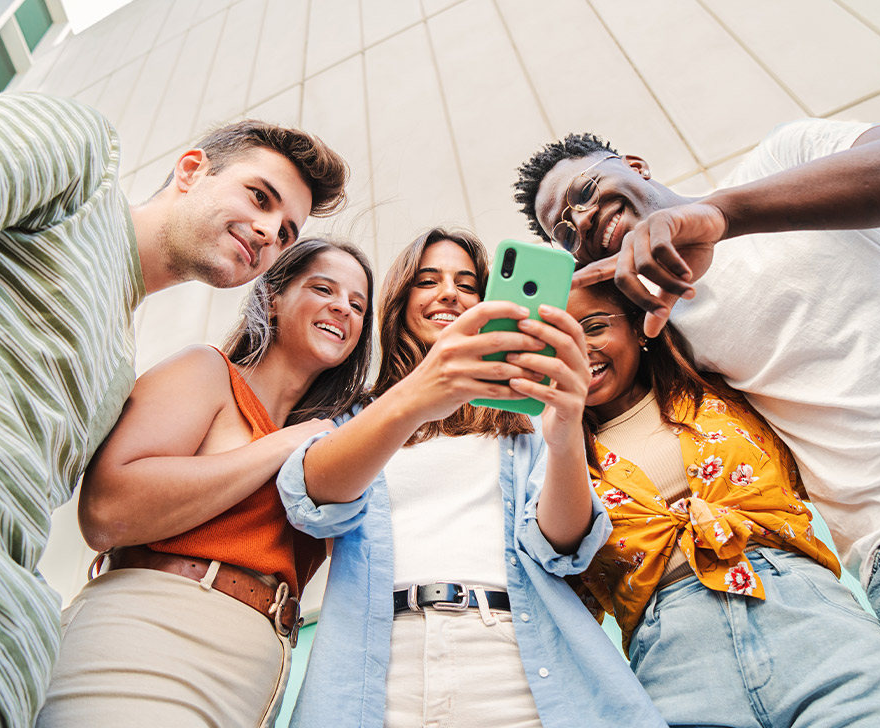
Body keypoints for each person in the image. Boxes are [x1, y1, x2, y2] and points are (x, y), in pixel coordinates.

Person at [514, 124, 880, 726]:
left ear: (635, 164)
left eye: (586, 189)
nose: (583, 217)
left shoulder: (785, 160)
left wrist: (719, 216)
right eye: (565, 226)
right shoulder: (660, 331)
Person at [0, 92, 348, 728]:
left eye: (287, 231)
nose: (269, 233)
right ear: (190, 170)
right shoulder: (81, 161)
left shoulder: (116, 370)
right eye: (260, 197)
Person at [277, 228, 666, 727]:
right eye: (428, 280)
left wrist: (565, 436)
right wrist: (418, 395)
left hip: (513, 655)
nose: (449, 294)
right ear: (399, 301)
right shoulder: (353, 418)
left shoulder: (524, 421)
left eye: (467, 283)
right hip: (380, 665)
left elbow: (563, 545)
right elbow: (312, 502)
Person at [35, 238, 374, 727]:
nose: (342, 307)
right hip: (150, 640)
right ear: (272, 299)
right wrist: (275, 448)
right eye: (324, 288)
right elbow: (107, 512)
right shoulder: (207, 371)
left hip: (259, 673)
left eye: (357, 305)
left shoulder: (331, 448)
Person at [568, 280, 880, 727]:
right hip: (674, 661)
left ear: (640, 328)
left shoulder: (721, 386)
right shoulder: (551, 463)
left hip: (809, 621)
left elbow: (847, 376)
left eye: (593, 326)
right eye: (555, 342)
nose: (577, 349)